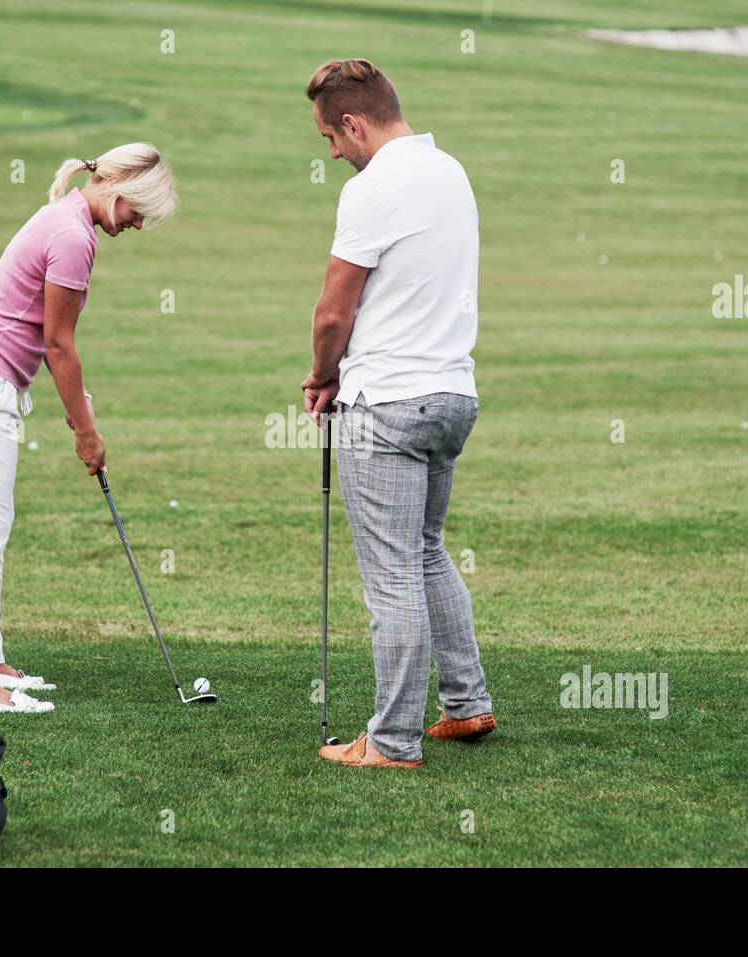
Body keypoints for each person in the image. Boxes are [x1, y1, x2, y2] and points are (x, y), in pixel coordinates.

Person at [0, 143, 178, 713]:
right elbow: (57, 343)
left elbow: (49, 339)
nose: (138, 225)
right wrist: (87, 433)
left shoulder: (68, 216)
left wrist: (77, 406)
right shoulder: (74, 237)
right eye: (139, 213)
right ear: (121, 194)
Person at [301, 59, 495, 768]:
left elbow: (332, 311)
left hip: (385, 403)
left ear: (354, 123)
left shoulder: (372, 187)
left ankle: (390, 741)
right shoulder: (451, 170)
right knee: (425, 551)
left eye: (330, 136)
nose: (331, 152)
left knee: (392, 578)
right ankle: (466, 705)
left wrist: (323, 375)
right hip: (452, 397)